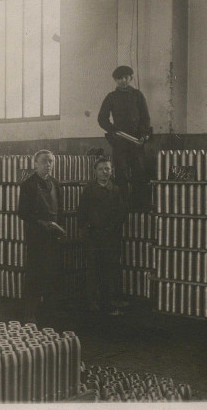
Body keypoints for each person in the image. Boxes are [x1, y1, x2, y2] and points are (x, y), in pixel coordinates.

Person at [18, 149, 66, 324]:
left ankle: (49, 312)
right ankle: (29, 313)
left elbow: (60, 210)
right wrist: (40, 223)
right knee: (35, 274)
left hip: (53, 236)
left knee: (52, 273)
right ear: (35, 164)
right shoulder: (28, 185)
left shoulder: (56, 183)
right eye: (45, 161)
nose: (49, 165)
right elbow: (22, 212)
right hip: (37, 237)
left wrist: (59, 228)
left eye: (51, 161)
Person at [77, 157, 128, 316]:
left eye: (107, 169)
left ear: (112, 171)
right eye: (101, 169)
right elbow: (82, 213)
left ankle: (107, 301)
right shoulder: (89, 189)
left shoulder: (116, 190)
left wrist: (113, 228)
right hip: (93, 236)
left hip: (110, 237)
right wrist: (86, 230)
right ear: (95, 172)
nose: (104, 172)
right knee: (93, 269)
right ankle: (92, 302)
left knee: (109, 268)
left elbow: (121, 213)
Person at [98, 65, 151, 209]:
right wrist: (113, 130)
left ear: (131, 78)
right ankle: (122, 206)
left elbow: (145, 118)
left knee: (139, 172)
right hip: (120, 141)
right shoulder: (111, 97)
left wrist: (143, 135)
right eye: (119, 78)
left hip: (136, 142)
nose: (123, 81)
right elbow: (102, 118)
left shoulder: (138, 95)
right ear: (115, 80)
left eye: (126, 77)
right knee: (121, 173)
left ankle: (140, 206)